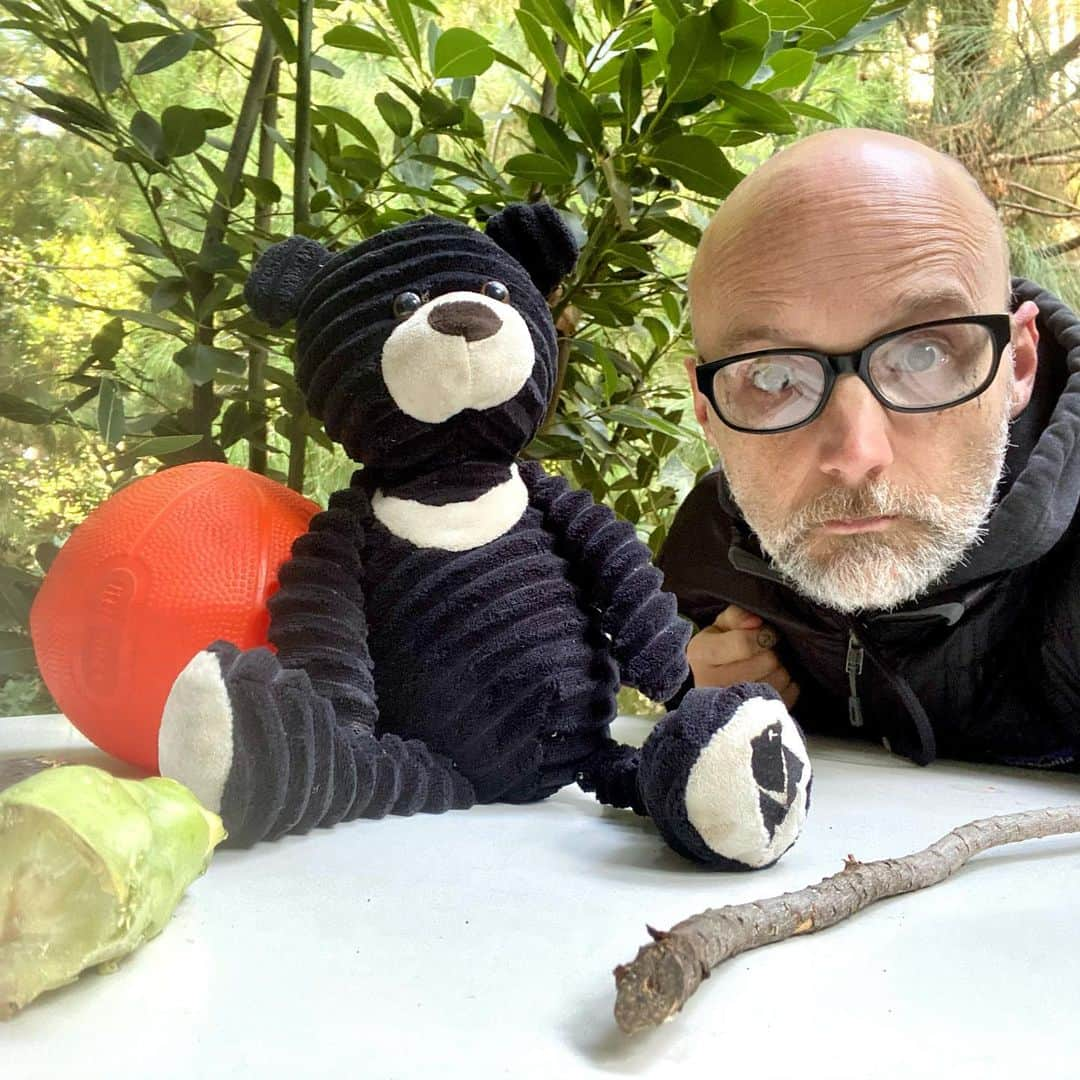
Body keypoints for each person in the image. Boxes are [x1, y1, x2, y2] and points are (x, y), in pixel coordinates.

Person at [657, 127, 1080, 770]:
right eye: (773, 376)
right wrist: (706, 692)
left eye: (925, 354)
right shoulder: (713, 548)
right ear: (707, 407)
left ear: (1018, 364)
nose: (856, 453)